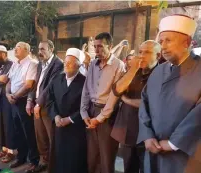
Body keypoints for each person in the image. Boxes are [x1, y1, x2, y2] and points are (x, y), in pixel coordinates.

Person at [137, 15, 201, 173]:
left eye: (168, 41)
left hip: (185, 154)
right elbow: (144, 103)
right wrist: (147, 135)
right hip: (153, 148)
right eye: (161, 41)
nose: (163, 47)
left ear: (186, 42)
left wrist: (173, 143)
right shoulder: (159, 70)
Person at [111, 40, 160, 173]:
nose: (142, 56)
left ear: (158, 56)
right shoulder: (134, 71)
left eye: (148, 52)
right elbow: (117, 90)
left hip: (149, 134)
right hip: (128, 131)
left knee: (147, 168)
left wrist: (126, 100)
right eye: (140, 52)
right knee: (128, 168)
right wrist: (133, 70)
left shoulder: (162, 74)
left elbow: (152, 103)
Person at [80, 32, 125, 173]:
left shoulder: (119, 65)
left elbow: (114, 97)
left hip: (107, 116)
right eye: (95, 47)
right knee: (92, 155)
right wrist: (83, 112)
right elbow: (86, 89)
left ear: (110, 46)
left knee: (106, 156)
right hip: (91, 112)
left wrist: (99, 119)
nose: (97, 50)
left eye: (100, 46)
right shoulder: (93, 64)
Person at [46, 48, 87, 173]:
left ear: (78, 65)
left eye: (70, 63)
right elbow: (50, 100)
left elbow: (86, 106)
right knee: (59, 156)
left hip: (75, 128)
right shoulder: (57, 79)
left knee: (73, 159)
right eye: (65, 62)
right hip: (59, 126)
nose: (66, 65)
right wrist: (56, 116)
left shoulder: (84, 82)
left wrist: (70, 119)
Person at [26, 40, 63, 172]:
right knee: (40, 136)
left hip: (48, 107)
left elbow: (49, 87)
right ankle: (43, 161)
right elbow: (36, 84)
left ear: (51, 49)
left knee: (51, 137)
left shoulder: (58, 64)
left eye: (43, 49)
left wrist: (39, 104)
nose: (40, 52)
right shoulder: (41, 64)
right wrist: (30, 100)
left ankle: (53, 166)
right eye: (39, 49)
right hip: (37, 105)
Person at [6, 42, 39, 172]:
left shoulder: (32, 63)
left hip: (24, 102)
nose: (15, 49)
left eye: (18, 47)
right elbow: (9, 81)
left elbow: (29, 84)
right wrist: (8, 94)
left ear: (26, 49)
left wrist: (15, 96)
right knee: (18, 131)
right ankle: (21, 157)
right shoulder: (15, 64)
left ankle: (34, 160)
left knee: (28, 132)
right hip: (14, 101)